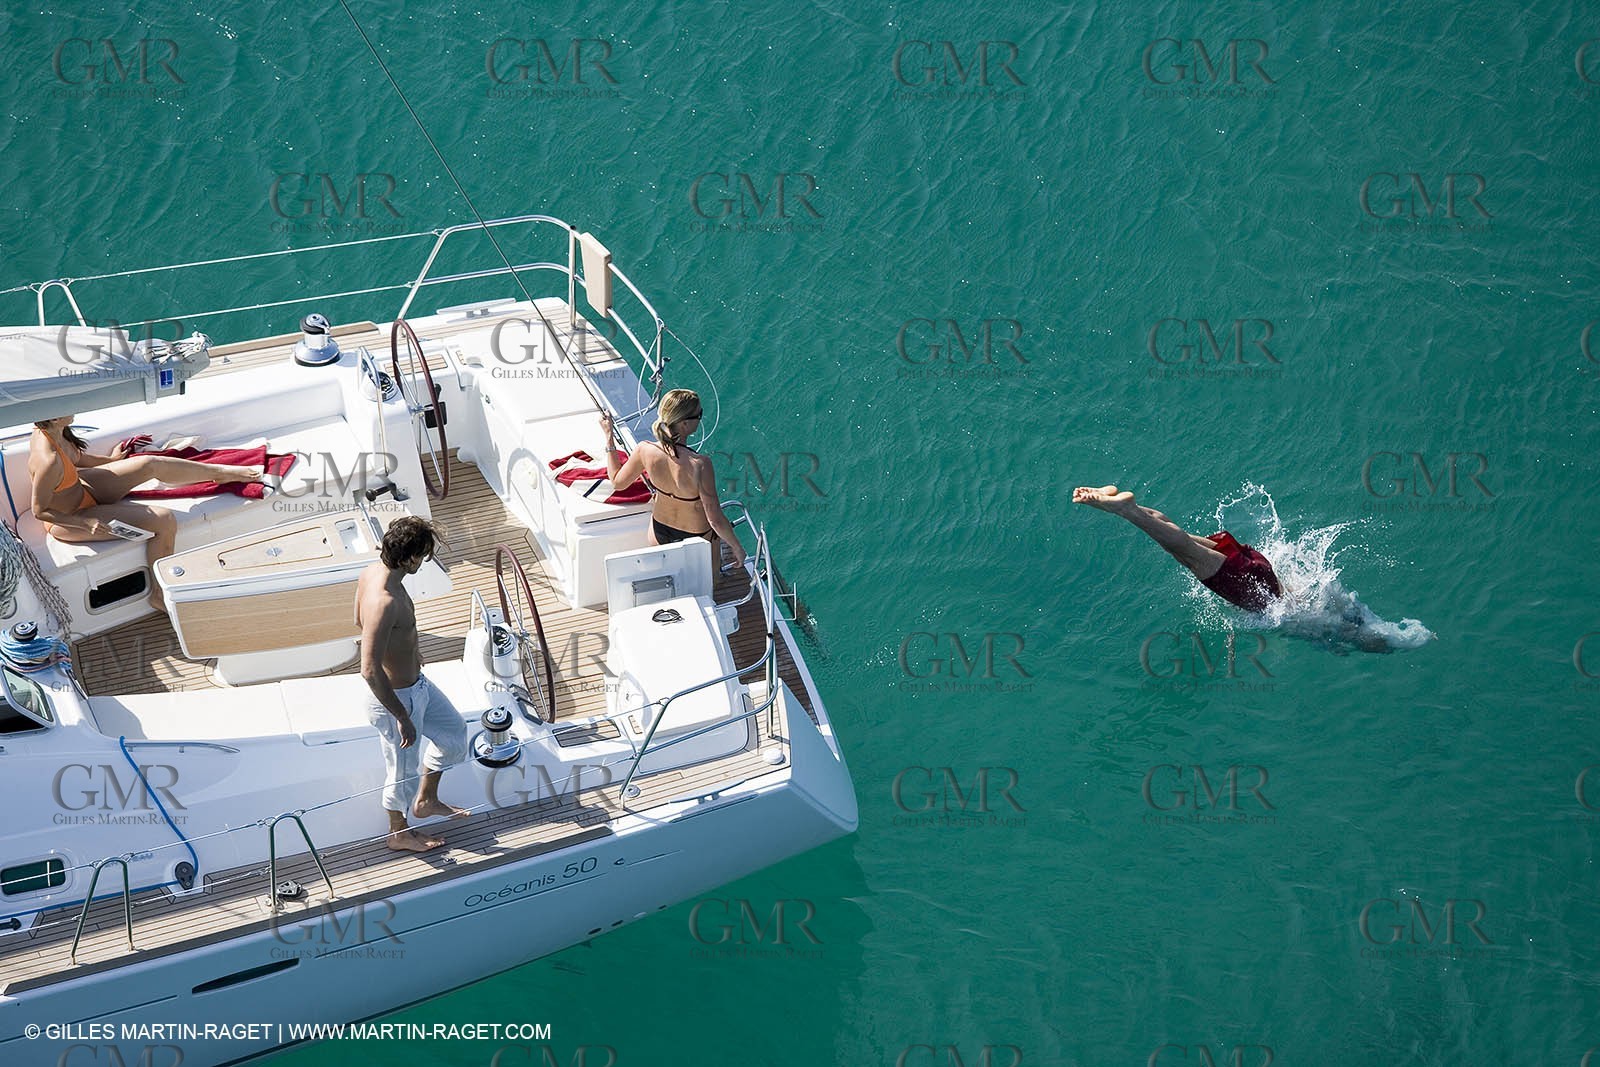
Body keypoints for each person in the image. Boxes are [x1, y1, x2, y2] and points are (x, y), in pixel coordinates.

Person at [28, 415, 266, 611]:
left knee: (150, 463)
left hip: (83, 489)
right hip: (72, 519)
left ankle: (219, 472)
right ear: (56, 417)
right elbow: (40, 511)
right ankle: (158, 595)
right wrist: (85, 523)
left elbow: (79, 458)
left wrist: (112, 460)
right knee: (163, 520)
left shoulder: (57, 432)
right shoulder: (47, 459)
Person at [355, 516, 470, 853]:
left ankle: (427, 800)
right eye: (424, 556)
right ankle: (398, 833)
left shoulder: (373, 572)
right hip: (397, 699)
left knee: (454, 735)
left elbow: (355, 619)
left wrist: (410, 649)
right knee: (401, 772)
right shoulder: (384, 600)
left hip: (417, 686)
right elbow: (369, 669)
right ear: (408, 558)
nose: (425, 561)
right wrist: (402, 716)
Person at [1074, 484, 1284, 613]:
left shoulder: (1292, 594)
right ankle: (1127, 510)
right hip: (1252, 584)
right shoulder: (1286, 613)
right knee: (1186, 551)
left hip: (1257, 566)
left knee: (1182, 543)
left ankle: (1113, 504)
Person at [599, 389, 747, 569]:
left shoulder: (644, 450)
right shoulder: (700, 464)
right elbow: (714, 519)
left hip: (659, 532)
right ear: (684, 424)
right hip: (696, 537)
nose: (701, 419)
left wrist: (609, 437)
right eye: (699, 414)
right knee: (711, 584)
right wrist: (737, 547)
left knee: (671, 576)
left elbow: (617, 482)